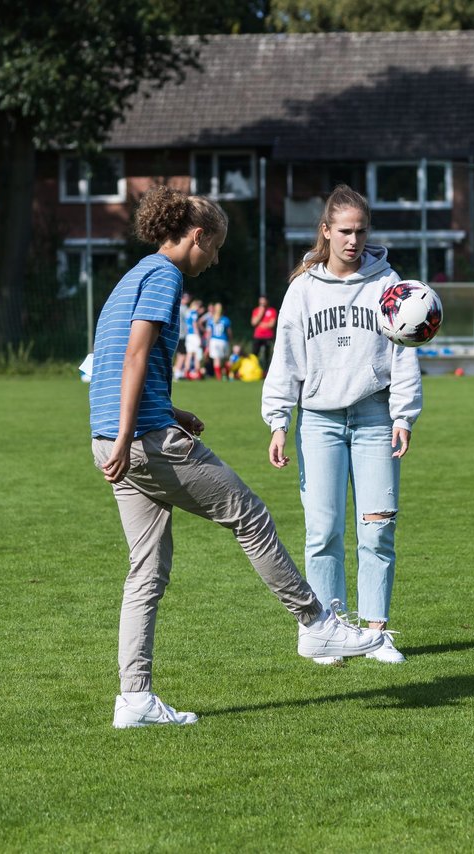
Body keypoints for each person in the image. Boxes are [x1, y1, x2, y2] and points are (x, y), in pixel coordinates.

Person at [88, 186, 384, 729]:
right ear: (196, 236)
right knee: (250, 514)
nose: (216, 259)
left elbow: (106, 363)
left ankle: (134, 698)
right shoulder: (163, 277)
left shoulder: (131, 276)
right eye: (215, 247)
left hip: (110, 439)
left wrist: (168, 410)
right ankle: (315, 620)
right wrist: (138, 430)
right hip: (140, 441)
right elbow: (132, 353)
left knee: (146, 570)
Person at [261, 184, 423, 666]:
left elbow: (405, 352)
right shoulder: (303, 290)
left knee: (378, 529)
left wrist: (403, 415)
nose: (353, 240)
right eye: (345, 231)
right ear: (326, 232)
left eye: (361, 231)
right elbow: (285, 359)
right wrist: (277, 421)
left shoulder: (388, 284)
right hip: (318, 421)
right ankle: (328, 631)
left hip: (374, 417)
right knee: (323, 531)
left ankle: (377, 632)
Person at [206, 302, 233, 381]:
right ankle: (227, 375)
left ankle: (219, 377)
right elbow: (229, 332)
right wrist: (231, 340)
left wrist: (207, 345)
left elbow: (209, 333)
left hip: (214, 341)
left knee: (216, 359)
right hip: (223, 341)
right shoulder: (225, 319)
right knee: (225, 359)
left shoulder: (211, 320)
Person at [250, 295, 278, 368]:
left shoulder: (272, 311)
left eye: (264, 301)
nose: (262, 302)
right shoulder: (256, 310)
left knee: (267, 356)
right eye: (261, 301)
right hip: (257, 336)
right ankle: (254, 369)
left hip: (268, 336)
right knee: (254, 355)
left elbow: (271, 324)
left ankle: (266, 371)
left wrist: (259, 324)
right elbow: (253, 323)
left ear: (267, 301)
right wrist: (261, 313)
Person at [181, 298, 205, 379]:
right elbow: (195, 325)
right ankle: (197, 373)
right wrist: (199, 336)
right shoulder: (194, 313)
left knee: (189, 354)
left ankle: (186, 372)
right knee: (196, 354)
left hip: (188, 335)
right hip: (194, 335)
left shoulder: (188, 312)